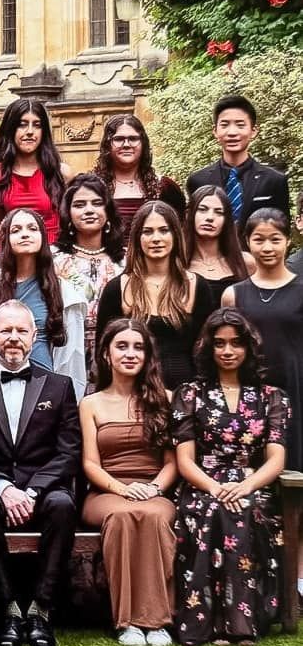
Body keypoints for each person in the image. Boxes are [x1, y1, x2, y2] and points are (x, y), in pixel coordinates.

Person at [0, 300, 81, 646]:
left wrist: (33, 490)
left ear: (34, 336)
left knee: (62, 504)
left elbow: (68, 452)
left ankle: (41, 610)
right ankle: (8, 611)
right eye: (5, 330)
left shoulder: (59, 386)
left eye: (21, 330)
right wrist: (4, 486)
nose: (13, 337)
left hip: (44, 491)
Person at [172, 309, 286, 646]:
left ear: (248, 348)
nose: (227, 351)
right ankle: (211, 624)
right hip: (202, 482)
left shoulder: (272, 397)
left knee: (243, 508)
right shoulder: (189, 393)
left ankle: (241, 623)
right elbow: (184, 460)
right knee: (212, 509)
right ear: (208, 348)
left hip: (253, 482)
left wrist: (246, 485)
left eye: (236, 343)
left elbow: (277, 458)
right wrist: (216, 487)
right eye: (219, 343)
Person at [80, 318, 177, 646]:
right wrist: (122, 489)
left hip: (153, 488)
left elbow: (170, 463)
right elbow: (90, 464)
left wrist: (154, 488)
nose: (130, 354)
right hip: (106, 491)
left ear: (148, 356)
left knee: (154, 516)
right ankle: (127, 622)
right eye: (122, 346)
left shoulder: (165, 398)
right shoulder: (90, 403)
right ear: (106, 354)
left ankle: (156, 620)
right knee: (122, 517)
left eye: (138, 347)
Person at [0, 207, 87, 395]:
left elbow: (73, 359)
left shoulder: (64, 292)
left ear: (43, 236)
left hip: (46, 391)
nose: (25, 234)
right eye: (16, 230)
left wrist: (71, 405)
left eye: (32, 229)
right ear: (6, 239)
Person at [95, 202, 214, 391]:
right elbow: (103, 353)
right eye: (148, 232)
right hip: (132, 396)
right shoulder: (117, 288)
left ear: (175, 234)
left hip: (185, 396)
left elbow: (208, 351)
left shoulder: (197, 286)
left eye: (164, 230)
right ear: (137, 238)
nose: (156, 238)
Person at [223, 208, 303, 473]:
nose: (267, 247)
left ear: (288, 240)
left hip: (296, 387)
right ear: (247, 242)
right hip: (251, 390)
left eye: (275, 239)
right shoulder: (233, 294)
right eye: (259, 239)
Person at [0, 98, 71, 248]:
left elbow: (71, 228)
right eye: (22, 125)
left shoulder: (62, 173)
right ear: (10, 129)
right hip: (6, 262)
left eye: (37, 125)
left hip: (52, 260)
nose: (30, 131)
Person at [53, 173, 125, 373]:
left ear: (108, 211)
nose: (89, 210)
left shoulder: (126, 262)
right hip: (64, 353)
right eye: (79, 205)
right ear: (68, 213)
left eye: (97, 203)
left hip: (117, 355)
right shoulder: (52, 260)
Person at [187, 95, 290, 233]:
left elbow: (282, 231)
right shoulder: (198, 181)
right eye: (224, 125)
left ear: (253, 131)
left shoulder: (274, 180)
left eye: (240, 125)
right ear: (215, 131)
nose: (232, 132)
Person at [93, 113, 185, 245]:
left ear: (143, 143)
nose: (126, 144)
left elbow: (179, 232)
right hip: (107, 263)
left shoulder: (164, 186)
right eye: (119, 139)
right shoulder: (93, 187)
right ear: (108, 144)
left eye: (133, 138)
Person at [184, 185, 252, 305]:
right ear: (189, 213)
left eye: (219, 212)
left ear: (227, 220)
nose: (210, 218)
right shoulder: (177, 263)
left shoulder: (246, 262)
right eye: (202, 209)